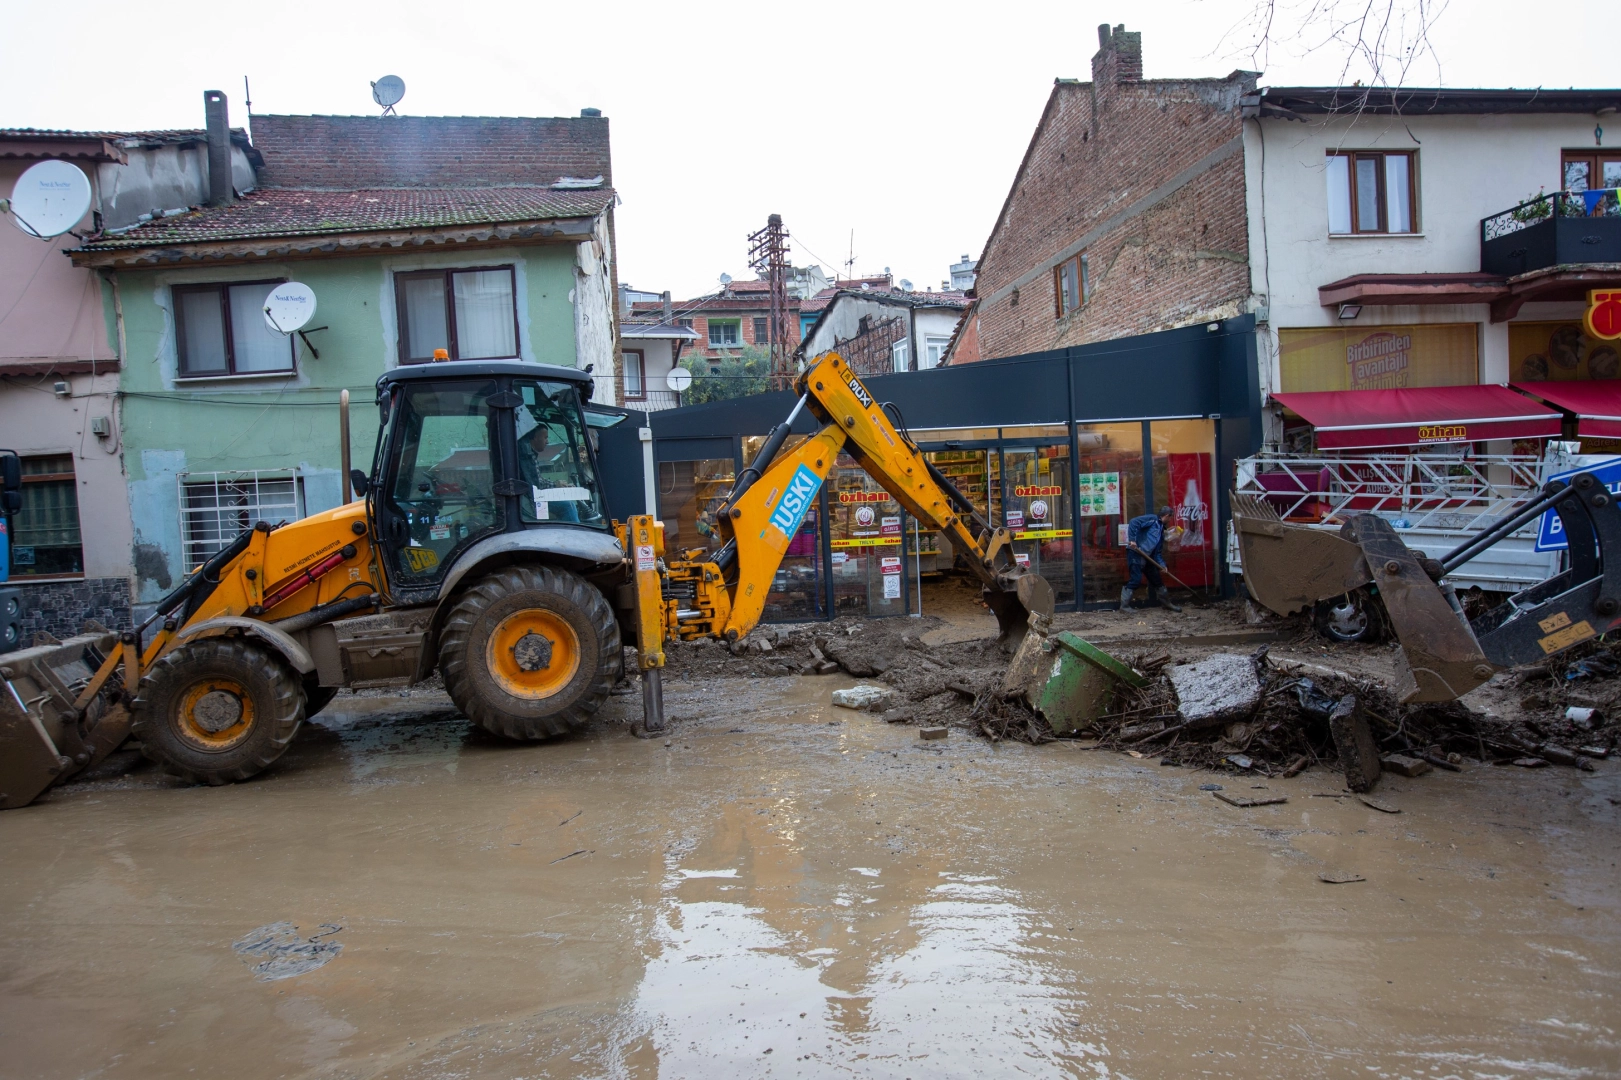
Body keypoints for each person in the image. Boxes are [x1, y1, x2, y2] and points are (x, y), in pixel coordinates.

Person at [515, 409, 581, 523]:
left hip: (532, 498)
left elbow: (537, 480)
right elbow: (536, 484)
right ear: (535, 437)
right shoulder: (526, 456)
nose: (547, 441)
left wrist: (556, 485)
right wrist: (555, 484)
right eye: (545, 437)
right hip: (531, 501)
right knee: (568, 506)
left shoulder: (530, 454)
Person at [1121, 505, 1182, 613]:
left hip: (1148, 556)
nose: (1170, 520)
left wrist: (1162, 565)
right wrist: (1132, 540)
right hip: (1136, 553)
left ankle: (1167, 603)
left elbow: (1157, 552)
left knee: (1157, 580)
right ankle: (1124, 606)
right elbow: (1134, 522)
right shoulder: (1152, 519)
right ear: (1167, 516)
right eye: (1170, 518)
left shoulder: (1161, 531)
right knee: (1136, 579)